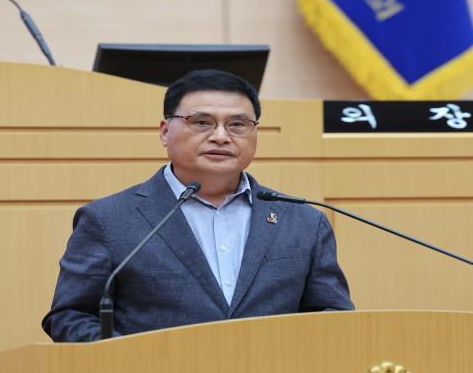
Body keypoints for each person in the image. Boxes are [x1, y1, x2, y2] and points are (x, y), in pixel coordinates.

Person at [43, 69, 353, 342]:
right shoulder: (109, 219)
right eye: (202, 122)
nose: (221, 137)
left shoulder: (303, 222)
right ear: (165, 132)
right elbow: (70, 316)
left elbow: (332, 317)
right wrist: (134, 359)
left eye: (237, 124)